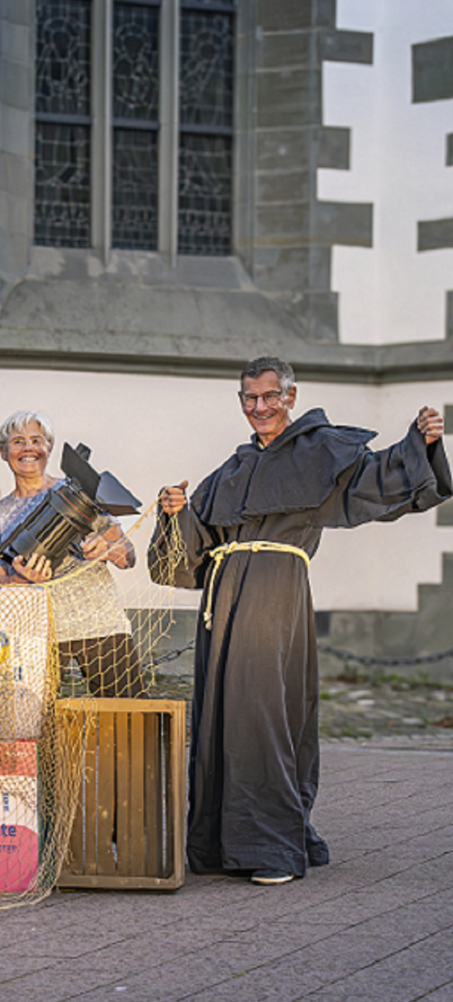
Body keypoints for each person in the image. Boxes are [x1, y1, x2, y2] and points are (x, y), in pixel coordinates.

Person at [149, 356, 451, 885]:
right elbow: (193, 551)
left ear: (290, 396)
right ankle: (221, 844)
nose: (259, 407)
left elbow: (377, 479)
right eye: (249, 399)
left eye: (269, 397)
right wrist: (174, 513)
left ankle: (270, 848)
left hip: (273, 594)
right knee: (220, 717)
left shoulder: (320, 452)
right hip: (221, 605)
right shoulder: (234, 468)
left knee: (263, 715)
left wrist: (419, 445)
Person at [0, 410, 146, 698]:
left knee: (131, 724)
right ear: (3, 451)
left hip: (102, 625)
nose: (28, 448)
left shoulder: (81, 491)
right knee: (37, 730)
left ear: (49, 447)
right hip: (37, 637)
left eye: (37, 440)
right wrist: (22, 580)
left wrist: (106, 550)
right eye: (18, 441)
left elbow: (128, 557)